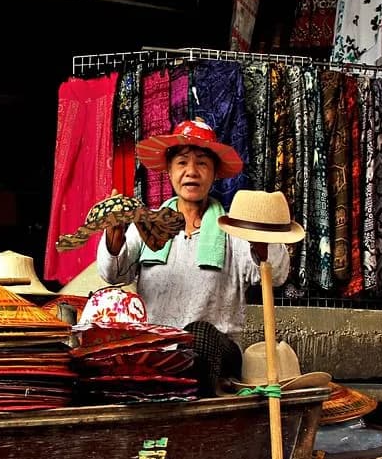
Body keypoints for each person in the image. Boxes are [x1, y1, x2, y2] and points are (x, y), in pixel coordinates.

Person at [97, 118, 290, 336]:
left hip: (216, 358)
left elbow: (276, 276)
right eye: (181, 162)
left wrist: (261, 241)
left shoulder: (233, 231)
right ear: (168, 170)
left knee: (201, 337)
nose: (191, 171)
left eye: (201, 163)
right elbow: (112, 276)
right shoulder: (146, 225)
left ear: (215, 173)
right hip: (159, 354)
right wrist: (114, 242)